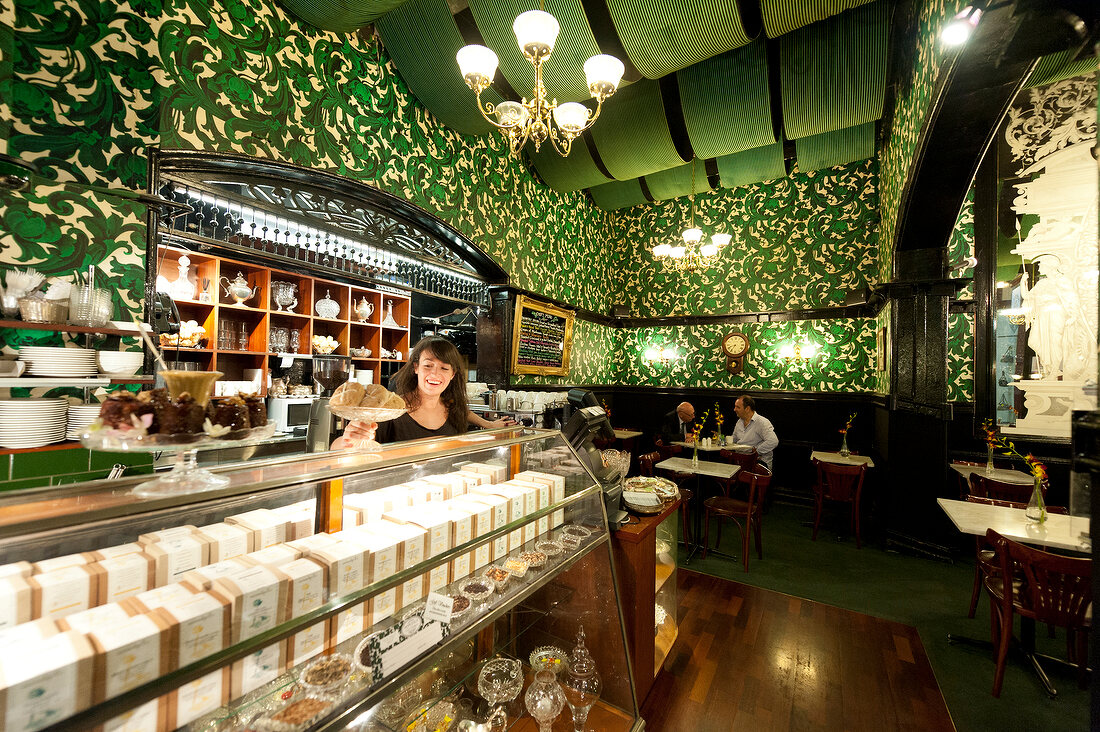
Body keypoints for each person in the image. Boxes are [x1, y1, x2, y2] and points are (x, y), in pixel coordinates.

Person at [333, 336, 506, 448]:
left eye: (444, 368)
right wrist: (349, 440)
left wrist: (490, 425)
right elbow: (337, 449)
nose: (434, 374)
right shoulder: (390, 410)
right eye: (428, 365)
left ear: (452, 375)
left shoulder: (454, 410)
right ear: (416, 368)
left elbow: (465, 414)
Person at [732, 395, 778, 470]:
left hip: (758, 464)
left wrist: (755, 453)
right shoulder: (739, 422)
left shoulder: (762, 422)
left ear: (747, 409)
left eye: (738, 407)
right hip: (741, 462)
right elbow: (734, 441)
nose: (734, 409)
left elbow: (773, 441)